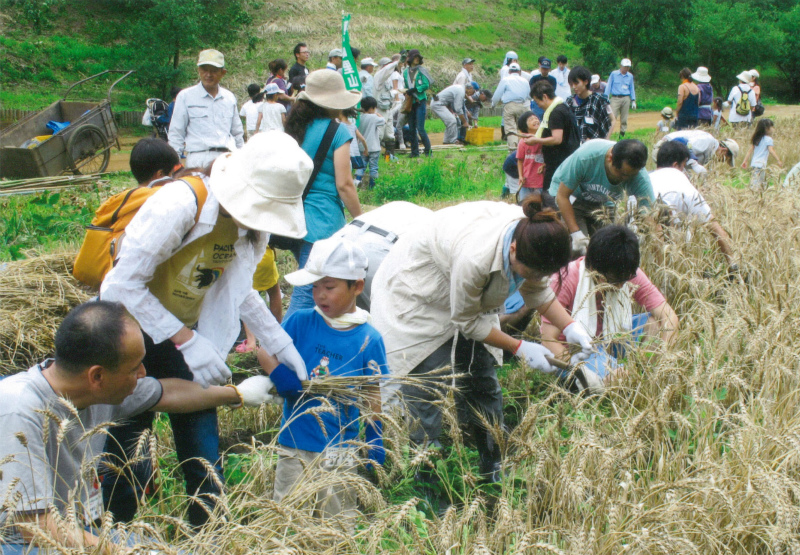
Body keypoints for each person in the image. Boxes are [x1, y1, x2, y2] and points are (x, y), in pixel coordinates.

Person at [99, 132, 311, 527]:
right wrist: (185, 339)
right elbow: (121, 284)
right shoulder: (181, 203)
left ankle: (209, 534)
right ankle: (117, 534)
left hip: (190, 336)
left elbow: (240, 291)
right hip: (132, 335)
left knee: (203, 454)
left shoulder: (253, 228)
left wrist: (280, 342)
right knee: (126, 451)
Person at [0, 301, 277, 555]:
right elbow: (33, 524)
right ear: (97, 375)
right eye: (135, 368)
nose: (143, 373)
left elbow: (163, 393)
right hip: (18, 542)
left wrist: (237, 394)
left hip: (76, 531)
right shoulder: (19, 408)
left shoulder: (93, 390)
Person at [370, 199, 595, 486]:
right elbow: (467, 321)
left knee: (482, 375)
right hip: (420, 292)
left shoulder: (536, 235)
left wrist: (571, 325)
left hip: (465, 293)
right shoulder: (476, 257)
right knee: (427, 385)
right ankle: (427, 477)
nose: (537, 279)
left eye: (543, 274)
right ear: (513, 250)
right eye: (530, 272)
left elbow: (537, 290)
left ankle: (490, 460)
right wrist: (518, 347)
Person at [259, 237, 388, 524]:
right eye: (315, 286)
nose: (319, 295)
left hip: (341, 447)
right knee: (288, 515)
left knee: (338, 518)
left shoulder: (369, 339)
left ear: (357, 286)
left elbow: (371, 392)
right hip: (295, 440)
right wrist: (279, 374)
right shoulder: (301, 321)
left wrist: (374, 434)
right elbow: (264, 349)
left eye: (329, 287)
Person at [541, 226, 679, 379]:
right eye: (613, 280)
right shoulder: (566, 279)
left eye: (624, 280)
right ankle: (621, 379)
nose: (620, 286)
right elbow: (548, 341)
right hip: (577, 350)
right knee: (618, 378)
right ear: (593, 267)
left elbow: (669, 317)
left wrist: (664, 356)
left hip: (611, 339)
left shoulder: (626, 271)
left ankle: (645, 376)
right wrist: (579, 371)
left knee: (656, 325)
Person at [284, 69, 363, 316]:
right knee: (308, 294)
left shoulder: (296, 127)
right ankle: (279, 350)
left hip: (295, 219)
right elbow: (345, 184)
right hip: (323, 220)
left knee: (311, 285)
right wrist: (362, 219)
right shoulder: (338, 131)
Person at [549, 139, 654, 256]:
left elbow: (650, 216)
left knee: (608, 250)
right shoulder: (586, 158)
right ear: (610, 158)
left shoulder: (639, 177)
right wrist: (576, 233)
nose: (625, 179)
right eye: (622, 174)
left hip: (604, 204)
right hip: (573, 198)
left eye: (630, 176)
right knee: (579, 250)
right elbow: (562, 196)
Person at [649, 141, 735, 267]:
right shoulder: (680, 181)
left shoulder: (644, 181)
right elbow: (713, 226)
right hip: (671, 263)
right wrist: (733, 263)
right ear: (676, 165)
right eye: (684, 166)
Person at [168, 49, 244, 169]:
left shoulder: (229, 98)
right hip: (198, 160)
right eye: (204, 70)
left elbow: (237, 133)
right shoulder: (185, 96)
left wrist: (241, 159)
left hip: (227, 160)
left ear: (223, 73)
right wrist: (174, 166)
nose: (208, 75)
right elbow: (176, 133)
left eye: (213, 71)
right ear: (199, 70)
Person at [522, 80, 580, 192]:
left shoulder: (555, 113)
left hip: (559, 163)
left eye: (537, 101)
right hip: (563, 160)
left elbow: (557, 139)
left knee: (550, 195)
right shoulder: (563, 107)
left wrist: (536, 140)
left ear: (544, 97)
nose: (537, 105)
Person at [238, 244, 284, 352]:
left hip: (246, 258)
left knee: (246, 297)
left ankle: (251, 342)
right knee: (274, 293)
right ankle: (277, 332)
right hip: (264, 255)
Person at [652, 129, 739, 174]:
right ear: (724, 151)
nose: (722, 162)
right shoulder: (708, 141)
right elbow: (683, 145)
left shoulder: (711, 154)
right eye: (725, 159)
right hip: (665, 149)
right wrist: (694, 164)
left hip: (672, 156)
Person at [565, 65, 614, 143]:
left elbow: (612, 120)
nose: (574, 87)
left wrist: (606, 140)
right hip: (574, 146)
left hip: (595, 145)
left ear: (586, 82)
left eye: (576, 83)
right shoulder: (569, 101)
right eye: (571, 84)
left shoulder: (600, 100)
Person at [491, 62, 530, 151]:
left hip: (509, 106)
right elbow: (529, 95)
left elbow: (497, 94)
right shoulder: (525, 81)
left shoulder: (505, 80)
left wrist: (493, 104)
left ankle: (513, 150)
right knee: (523, 128)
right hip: (522, 106)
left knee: (511, 129)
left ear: (509, 71)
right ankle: (526, 149)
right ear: (519, 71)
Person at [403, 49, 434, 158]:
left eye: (418, 58)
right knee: (411, 128)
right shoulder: (405, 72)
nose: (416, 59)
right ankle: (414, 152)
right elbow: (406, 84)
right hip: (411, 102)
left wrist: (415, 89)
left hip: (420, 101)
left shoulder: (421, 70)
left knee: (420, 128)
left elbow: (426, 85)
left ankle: (428, 151)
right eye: (415, 57)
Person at [741, 118, 783, 188]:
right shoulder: (768, 139)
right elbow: (771, 150)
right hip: (761, 164)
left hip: (754, 163)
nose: (773, 129)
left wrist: (745, 161)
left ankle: (754, 193)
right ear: (767, 128)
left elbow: (750, 151)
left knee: (756, 180)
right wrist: (778, 160)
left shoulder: (757, 138)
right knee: (759, 182)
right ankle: (756, 194)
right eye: (772, 127)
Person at [515, 111, 547, 204]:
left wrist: (544, 164)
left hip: (540, 181)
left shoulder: (544, 140)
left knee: (540, 204)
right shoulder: (523, 142)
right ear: (524, 126)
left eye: (536, 118)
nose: (535, 120)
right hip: (526, 181)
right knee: (524, 204)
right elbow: (520, 160)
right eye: (531, 119)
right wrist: (521, 176)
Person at [356, 96, 385, 189]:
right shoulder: (374, 118)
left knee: (361, 167)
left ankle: (356, 183)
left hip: (362, 147)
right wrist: (378, 114)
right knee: (373, 168)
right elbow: (383, 121)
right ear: (372, 108)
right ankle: (372, 187)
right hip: (374, 147)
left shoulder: (359, 118)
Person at [605, 58, 637, 138]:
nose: (626, 68)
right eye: (625, 66)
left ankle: (621, 136)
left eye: (628, 67)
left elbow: (631, 88)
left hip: (626, 98)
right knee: (612, 117)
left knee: (624, 119)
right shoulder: (614, 74)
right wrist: (606, 96)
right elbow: (609, 85)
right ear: (621, 66)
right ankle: (607, 135)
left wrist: (633, 100)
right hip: (615, 98)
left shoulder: (630, 76)